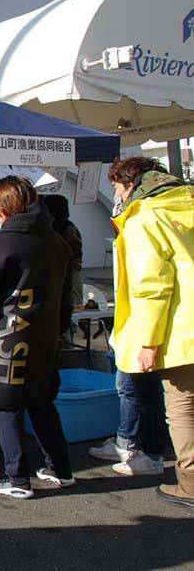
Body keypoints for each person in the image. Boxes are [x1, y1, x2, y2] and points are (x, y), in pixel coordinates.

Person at [0, 176, 75, 500]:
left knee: (7, 407)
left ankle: (17, 478)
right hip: (45, 339)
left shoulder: (2, 243)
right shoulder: (56, 241)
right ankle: (61, 469)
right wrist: (59, 329)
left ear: (3, 208)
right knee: (41, 402)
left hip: (9, 339)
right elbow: (66, 298)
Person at [105, 156, 194, 509]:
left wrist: (148, 341)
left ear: (130, 184)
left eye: (115, 186)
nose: (116, 195)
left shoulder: (145, 217)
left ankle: (189, 483)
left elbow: (152, 287)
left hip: (180, 333)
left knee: (183, 409)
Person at [41, 195, 83, 308]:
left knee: (72, 305)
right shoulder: (56, 226)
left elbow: (74, 254)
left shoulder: (65, 228)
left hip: (68, 273)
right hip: (62, 273)